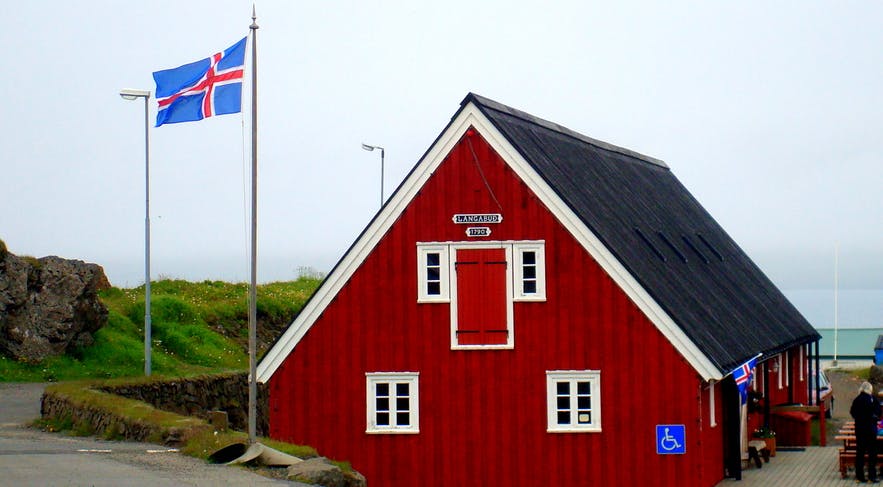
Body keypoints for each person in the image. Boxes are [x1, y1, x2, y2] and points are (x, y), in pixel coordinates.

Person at [850, 381, 882, 483]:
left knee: (860, 453)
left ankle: (860, 476)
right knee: (872, 453)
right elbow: (878, 413)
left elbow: (852, 412)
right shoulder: (872, 400)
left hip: (860, 430)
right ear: (870, 389)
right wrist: (874, 419)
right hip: (871, 430)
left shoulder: (857, 400)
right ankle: (872, 476)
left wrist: (859, 419)